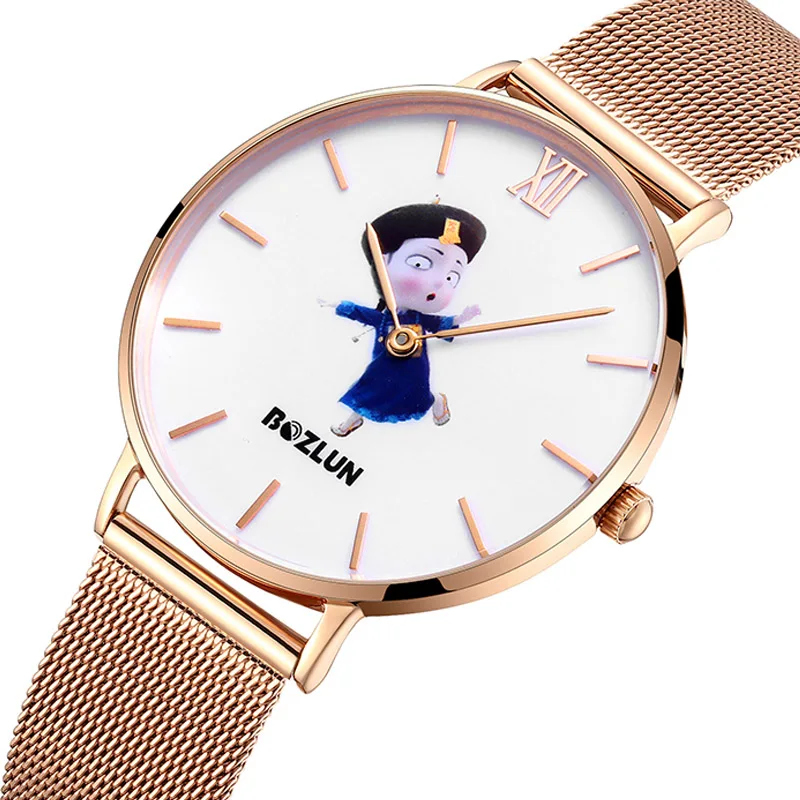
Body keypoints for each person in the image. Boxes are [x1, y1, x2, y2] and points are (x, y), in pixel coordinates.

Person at [321, 203, 486, 437]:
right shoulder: (387, 317)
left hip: (413, 368)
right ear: (383, 262)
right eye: (420, 263)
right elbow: (364, 313)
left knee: (417, 396)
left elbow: (441, 325)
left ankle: (437, 401)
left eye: (452, 277)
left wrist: (462, 317)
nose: (439, 282)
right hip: (383, 365)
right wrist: (338, 305)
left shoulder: (419, 318)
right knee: (368, 392)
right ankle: (351, 422)